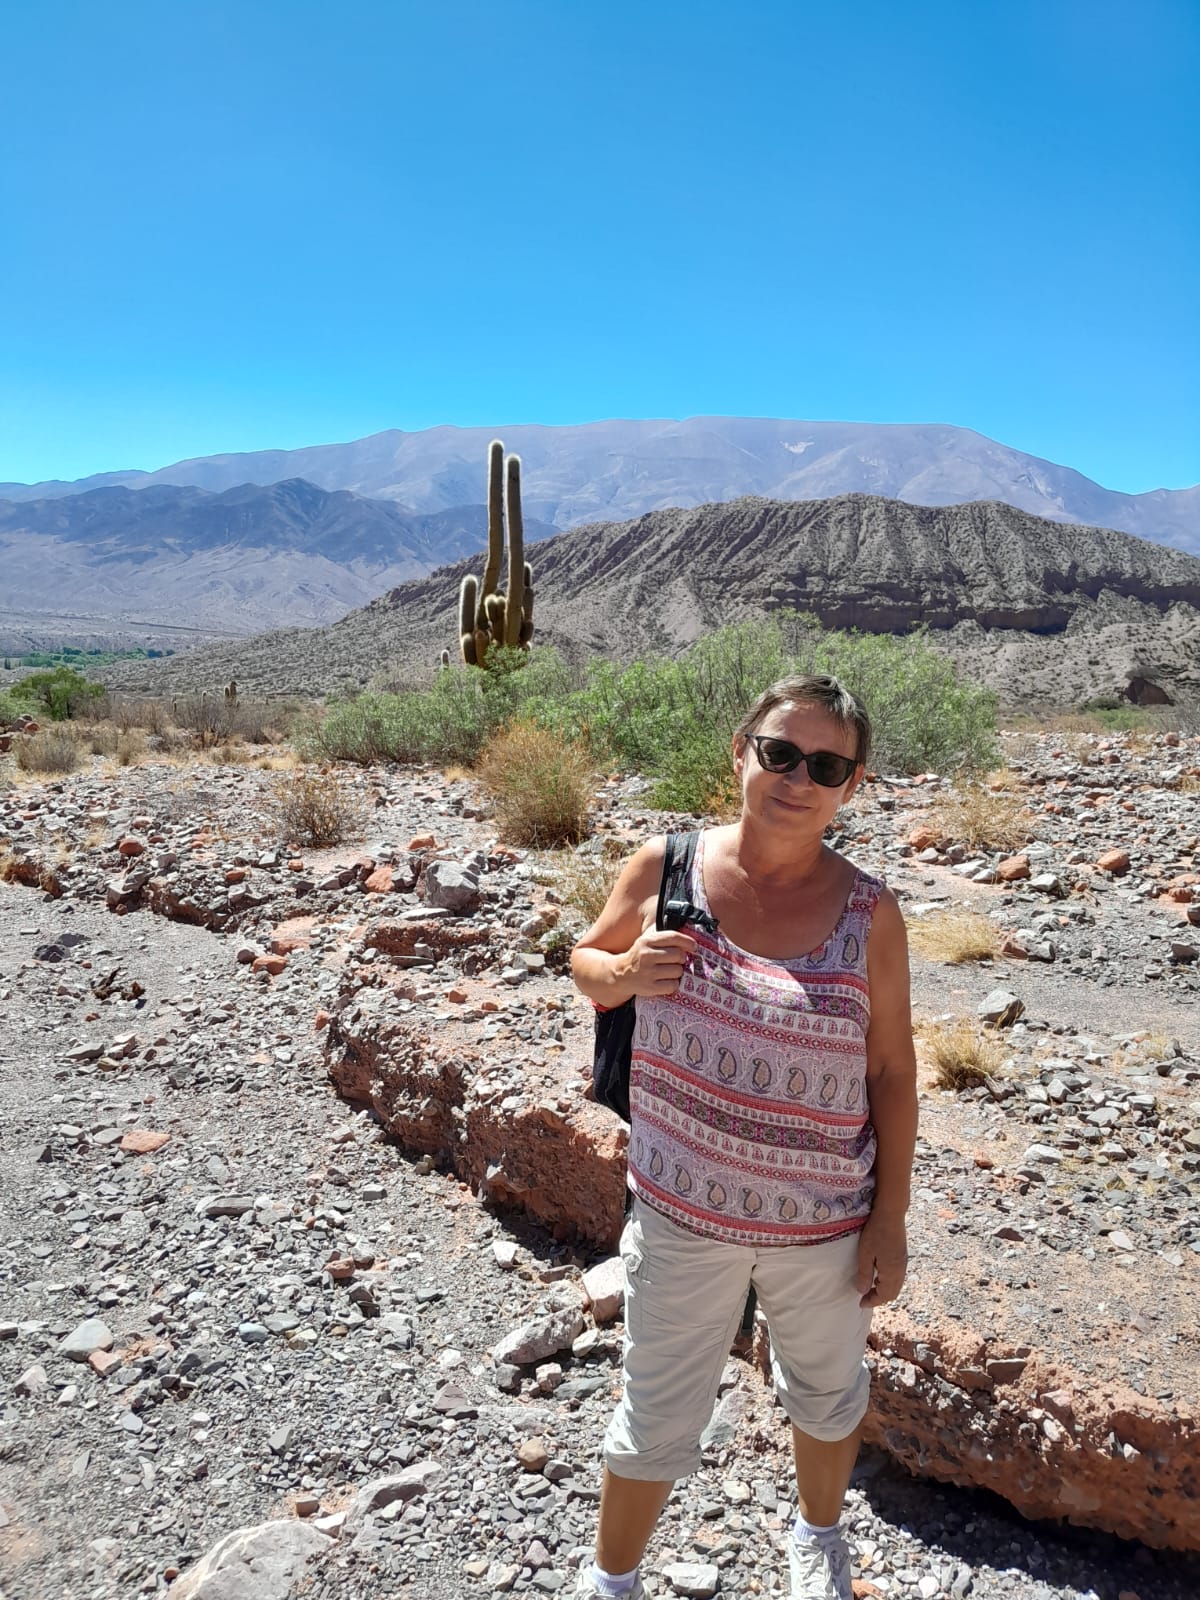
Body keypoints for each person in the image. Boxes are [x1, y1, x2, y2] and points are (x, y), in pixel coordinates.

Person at [569, 674, 918, 1600]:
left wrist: (889, 1220)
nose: (799, 779)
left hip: (826, 1227)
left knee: (828, 1395)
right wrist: (625, 971)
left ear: (852, 786)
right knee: (655, 1411)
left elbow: (891, 1072)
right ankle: (612, 1582)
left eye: (827, 766)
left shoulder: (872, 914)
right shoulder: (666, 866)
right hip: (681, 1212)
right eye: (781, 753)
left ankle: (818, 1536)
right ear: (740, 753)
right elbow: (587, 962)